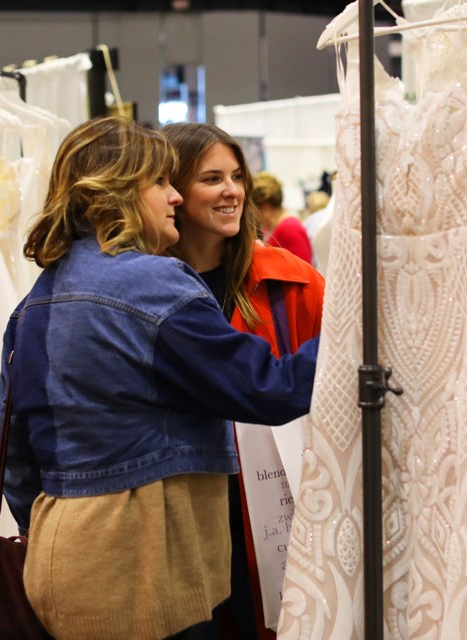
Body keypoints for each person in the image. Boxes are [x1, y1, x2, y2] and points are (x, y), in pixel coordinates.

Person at [0, 115, 319, 640]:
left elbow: (15, 452)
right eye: (161, 182)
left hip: (59, 550)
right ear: (117, 191)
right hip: (145, 557)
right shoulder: (150, 284)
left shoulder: (35, 300)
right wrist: (360, 336)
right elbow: (268, 388)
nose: (173, 197)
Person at [162, 123, 324, 640]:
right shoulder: (144, 289)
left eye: (236, 176)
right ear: (173, 191)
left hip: (280, 504)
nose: (231, 190)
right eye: (212, 178)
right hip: (182, 514)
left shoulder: (291, 279)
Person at [251, 171, 313, 264]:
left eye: (253, 208)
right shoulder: (267, 228)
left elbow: (305, 270)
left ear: (265, 207)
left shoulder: (290, 228)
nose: (253, 214)